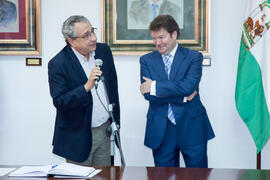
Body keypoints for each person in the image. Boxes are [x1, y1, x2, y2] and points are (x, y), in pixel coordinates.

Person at [140, 14, 215, 167]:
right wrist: (182, 97)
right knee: (162, 177)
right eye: (154, 38)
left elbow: (188, 86)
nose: (157, 43)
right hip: (161, 129)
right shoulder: (146, 60)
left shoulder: (194, 57)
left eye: (161, 37)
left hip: (192, 126)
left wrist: (155, 86)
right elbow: (148, 95)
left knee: (197, 177)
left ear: (174, 34)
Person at [48, 15, 120, 166]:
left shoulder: (103, 51)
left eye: (93, 31)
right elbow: (60, 101)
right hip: (78, 135)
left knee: (105, 176)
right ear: (72, 41)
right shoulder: (58, 64)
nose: (93, 38)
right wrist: (86, 87)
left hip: (105, 131)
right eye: (86, 35)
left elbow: (113, 88)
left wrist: (115, 123)